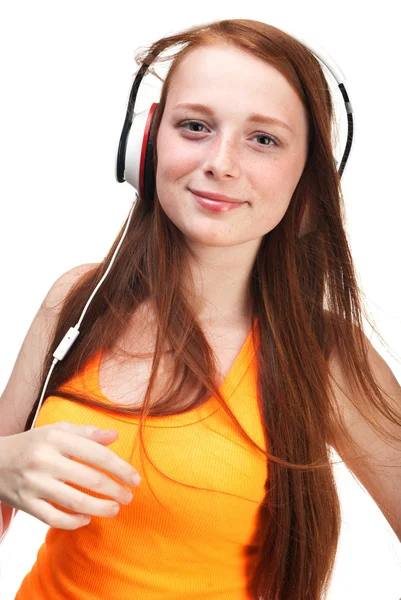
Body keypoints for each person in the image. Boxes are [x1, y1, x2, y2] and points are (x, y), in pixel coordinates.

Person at [0, 18, 400, 600]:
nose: (221, 162)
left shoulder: (327, 355)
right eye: (195, 126)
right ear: (147, 144)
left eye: (263, 139)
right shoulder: (78, 301)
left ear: (307, 178)